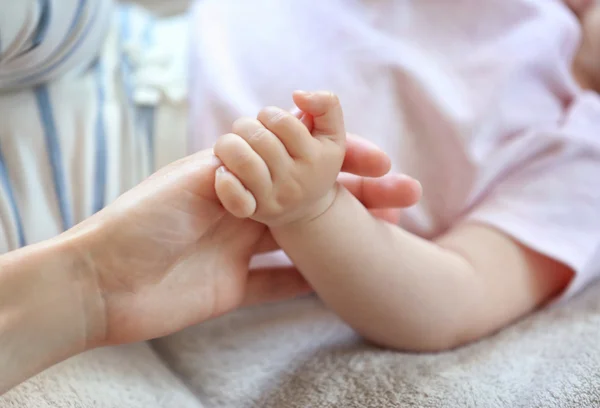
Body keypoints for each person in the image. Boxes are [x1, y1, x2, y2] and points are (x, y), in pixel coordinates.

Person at [0, 0, 423, 393]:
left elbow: (454, 298)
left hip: (105, 193)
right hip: (103, 37)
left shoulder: (494, 124)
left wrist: (315, 209)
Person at [190, 0, 600, 354]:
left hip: (176, 195)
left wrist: (315, 211)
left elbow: (452, 299)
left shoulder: (585, 166)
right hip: (156, 40)